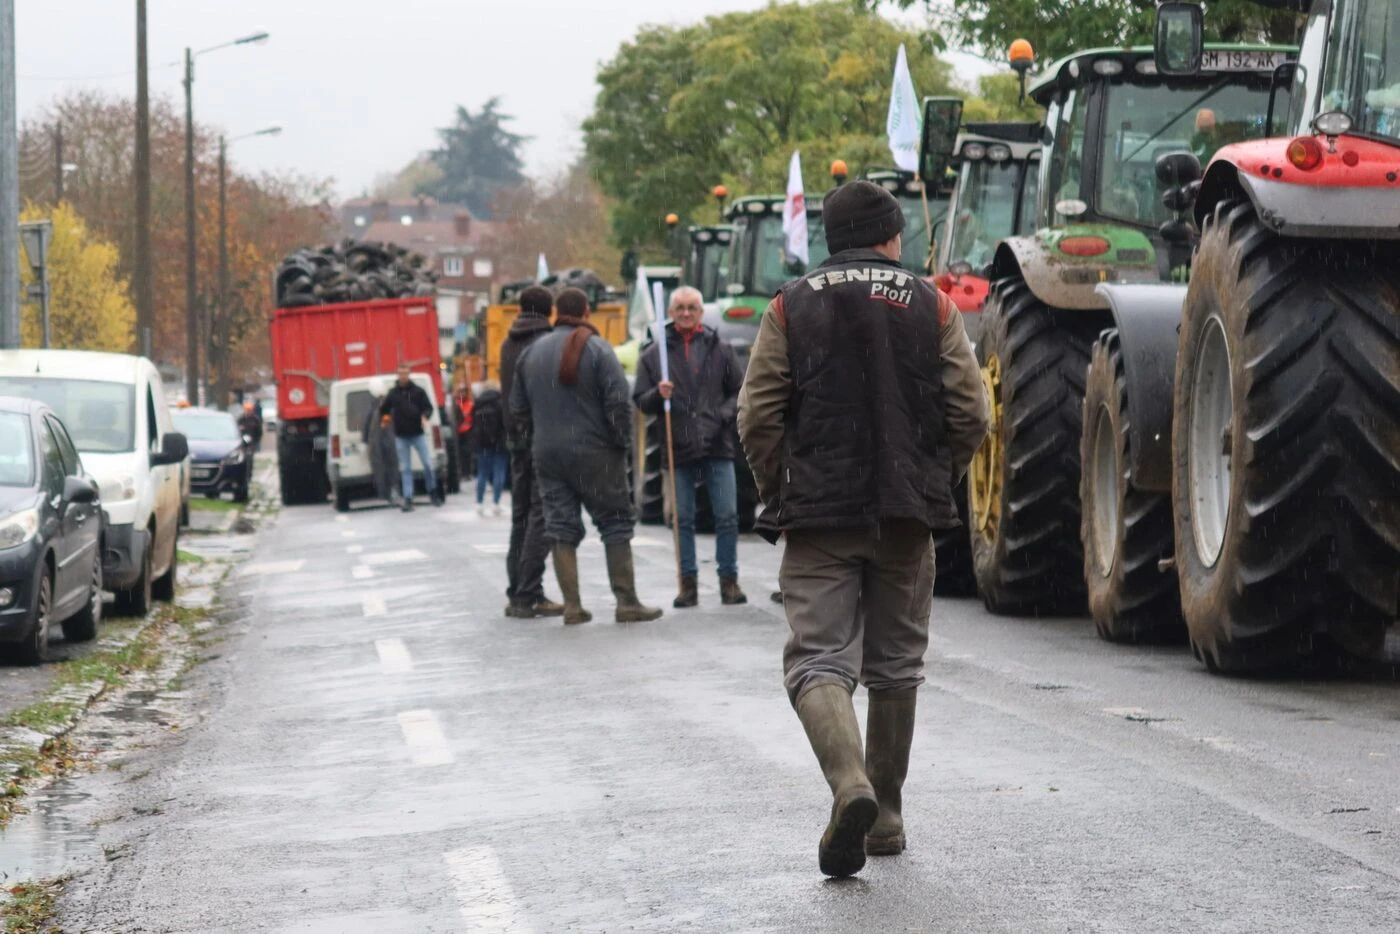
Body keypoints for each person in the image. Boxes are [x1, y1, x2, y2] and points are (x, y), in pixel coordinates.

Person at [738, 180, 988, 879]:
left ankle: (851, 786)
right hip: (907, 513)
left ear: (830, 236)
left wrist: (777, 488)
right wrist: (933, 476)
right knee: (896, 666)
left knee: (818, 659)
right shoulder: (932, 303)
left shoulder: (791, 305)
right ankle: (887, 819)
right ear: (890, 234)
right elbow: (972, 412)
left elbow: (757, 415)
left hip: (820, 512)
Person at [510, 287, 663, 626]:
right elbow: (618, 403)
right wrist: (620, 444)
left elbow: (517, 410)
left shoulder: (531, 354)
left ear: (556, 314)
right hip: (595, 452)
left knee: (560, 526)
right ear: (586, 312)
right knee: (615, 522)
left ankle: (573, 606)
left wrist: (540, 437)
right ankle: (626, 602)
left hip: (547, 454)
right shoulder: (597, 349)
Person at [633, 285, 747, 608]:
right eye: (680, 308)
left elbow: (739, 392)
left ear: (700, 312)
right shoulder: (655, 355)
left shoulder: (720, 349)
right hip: (677, 443)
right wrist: (658, 395)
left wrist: (719, 418)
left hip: (718, 443)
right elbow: (640, 401)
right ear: (670, 313)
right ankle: (688, 584)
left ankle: (729, 581)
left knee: (727, 516)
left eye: (692, 308)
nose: (685, 313)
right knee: (682, 518)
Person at [498, 285, 563, 619]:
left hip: (515, 440)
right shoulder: (545, 345)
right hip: (540, 438)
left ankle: (517, 591)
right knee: (542, 516)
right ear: (548, 311)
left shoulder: (508, 344)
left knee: (521, 516)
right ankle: (528, 594)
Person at [379, 363, 441, 512]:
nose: (403, 376)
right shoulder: (393, 393)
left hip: (417, 434)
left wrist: (425, 417)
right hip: (401, 435)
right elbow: (384, 410)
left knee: (427, 464)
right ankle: (408, 498)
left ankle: (432, 491)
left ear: (409, 374)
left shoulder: (418, 392)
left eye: (406, 373)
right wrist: (386, 421)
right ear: (398, 375)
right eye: (401, 373)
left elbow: (429, 408)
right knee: (406, 468)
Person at [472, 381, 508, 517]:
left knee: (482, 473)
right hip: (500, 442)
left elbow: (473, 424)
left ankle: (479, 503)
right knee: (499, 472)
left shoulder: (478, 403)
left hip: (482, 443)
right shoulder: (501, 402)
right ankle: (496, 503)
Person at [362, 380, 400, 505]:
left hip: (380, 442)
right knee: (391, 466)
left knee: (382, 467)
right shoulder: (390, 405)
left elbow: (367, 426)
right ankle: (391, 491)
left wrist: (365, 441)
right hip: (388, 441)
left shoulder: (374, 407)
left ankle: (386, 493)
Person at [452, 384, 475, 482]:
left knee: (467, 452)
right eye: (460, 391)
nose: (462, 393)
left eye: (464, 391)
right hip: (458, 431)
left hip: (468, 431)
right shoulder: (455, 404)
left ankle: (467, 472)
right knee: (459, 453)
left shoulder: (470, 403)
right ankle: (461, 472)